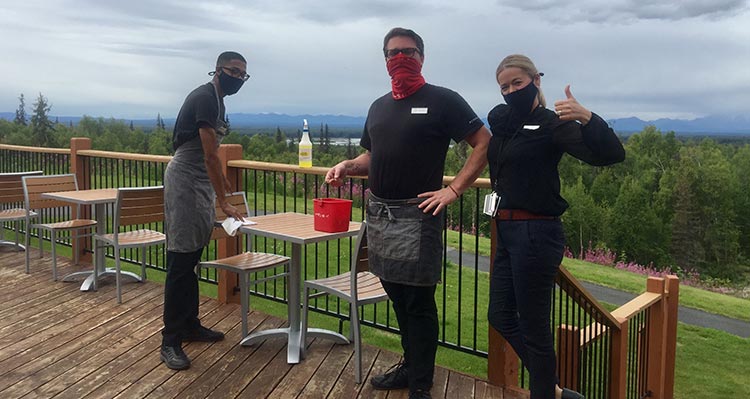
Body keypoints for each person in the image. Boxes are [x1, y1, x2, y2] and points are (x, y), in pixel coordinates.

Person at [326, 28, 491, 399]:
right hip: (380, 215)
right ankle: (410, 365)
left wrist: (454, 189)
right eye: (392, 52)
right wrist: (347, 165)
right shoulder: (379, 106)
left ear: (422, 56)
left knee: (417, 301)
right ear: (384, 59)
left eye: (408, 51)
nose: (399, 58)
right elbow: (372, 156)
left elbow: (484, 143)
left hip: (419, 215)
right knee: (395, 294)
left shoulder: (444, 100)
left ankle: (421, 382)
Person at [486, 54, 625, 399]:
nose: (510, 91)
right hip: (505, 230)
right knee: (500, 315)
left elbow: (609, 155)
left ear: (536, 81)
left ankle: (546, 392)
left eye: (517, 83)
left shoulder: (552, 124)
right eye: (504, 86)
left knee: (535, 329)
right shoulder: (504, 122)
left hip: (537, 233)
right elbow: (492, 126)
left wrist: (589, 118)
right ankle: (555, 390)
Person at [161, 51, 248, 370]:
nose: (237, 78)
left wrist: (221, 182)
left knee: (192, 255)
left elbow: (212, 160)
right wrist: (222, 201)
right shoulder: (205, 98)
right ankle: (170, 339)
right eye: (233, 71)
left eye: (242, 75)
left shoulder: (218, 99)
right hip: (185, 179)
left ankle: (190, 324)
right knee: (180, 259)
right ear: (217, 69)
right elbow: (210, 154)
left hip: (199, 180)